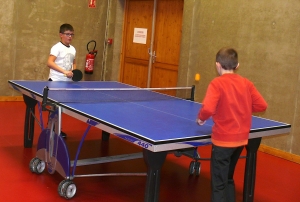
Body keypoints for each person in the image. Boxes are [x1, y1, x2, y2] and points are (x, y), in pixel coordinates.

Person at [196, 47, 268, 202]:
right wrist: (244, 105)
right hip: (240, 141)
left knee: (218, 185)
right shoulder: (246, 83)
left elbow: (208, 108)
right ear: (237, 66)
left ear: (217, 65)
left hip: (223, 141)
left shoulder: (217, 83)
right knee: (228, 177)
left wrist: (202, 118)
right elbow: (262, 105)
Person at [47, 23, 77, 137]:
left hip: (67, 82)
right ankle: (52, 129)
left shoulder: (73, 49)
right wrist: (64, 72)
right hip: (55, 80)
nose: (70, 36)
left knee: (61, 108)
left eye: (72, 34)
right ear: (61, 35)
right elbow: (49, 62)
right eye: (67, 34)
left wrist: (74, 71)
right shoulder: (56, 47)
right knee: (54, 107)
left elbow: (73, 62)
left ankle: (57, 129)